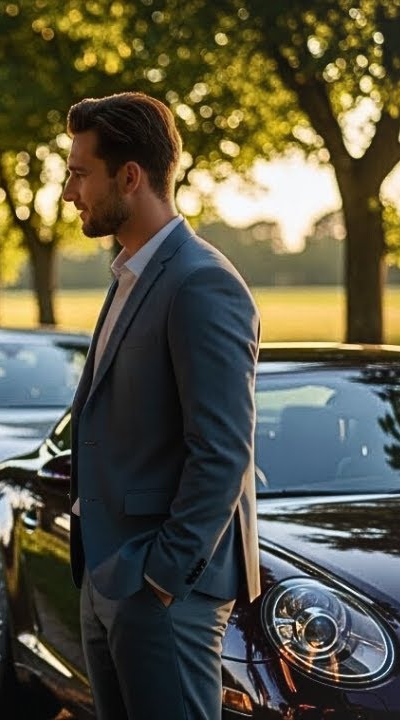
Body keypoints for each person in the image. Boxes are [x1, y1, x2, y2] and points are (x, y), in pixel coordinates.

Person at [61, 92, 260, 720]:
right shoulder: (131, 274)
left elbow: (223, 451)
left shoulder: (202, 282)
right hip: (109, 574)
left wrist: (164, 577)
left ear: (129, 176)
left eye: (78, 173)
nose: (69, 193)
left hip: (163, 590)